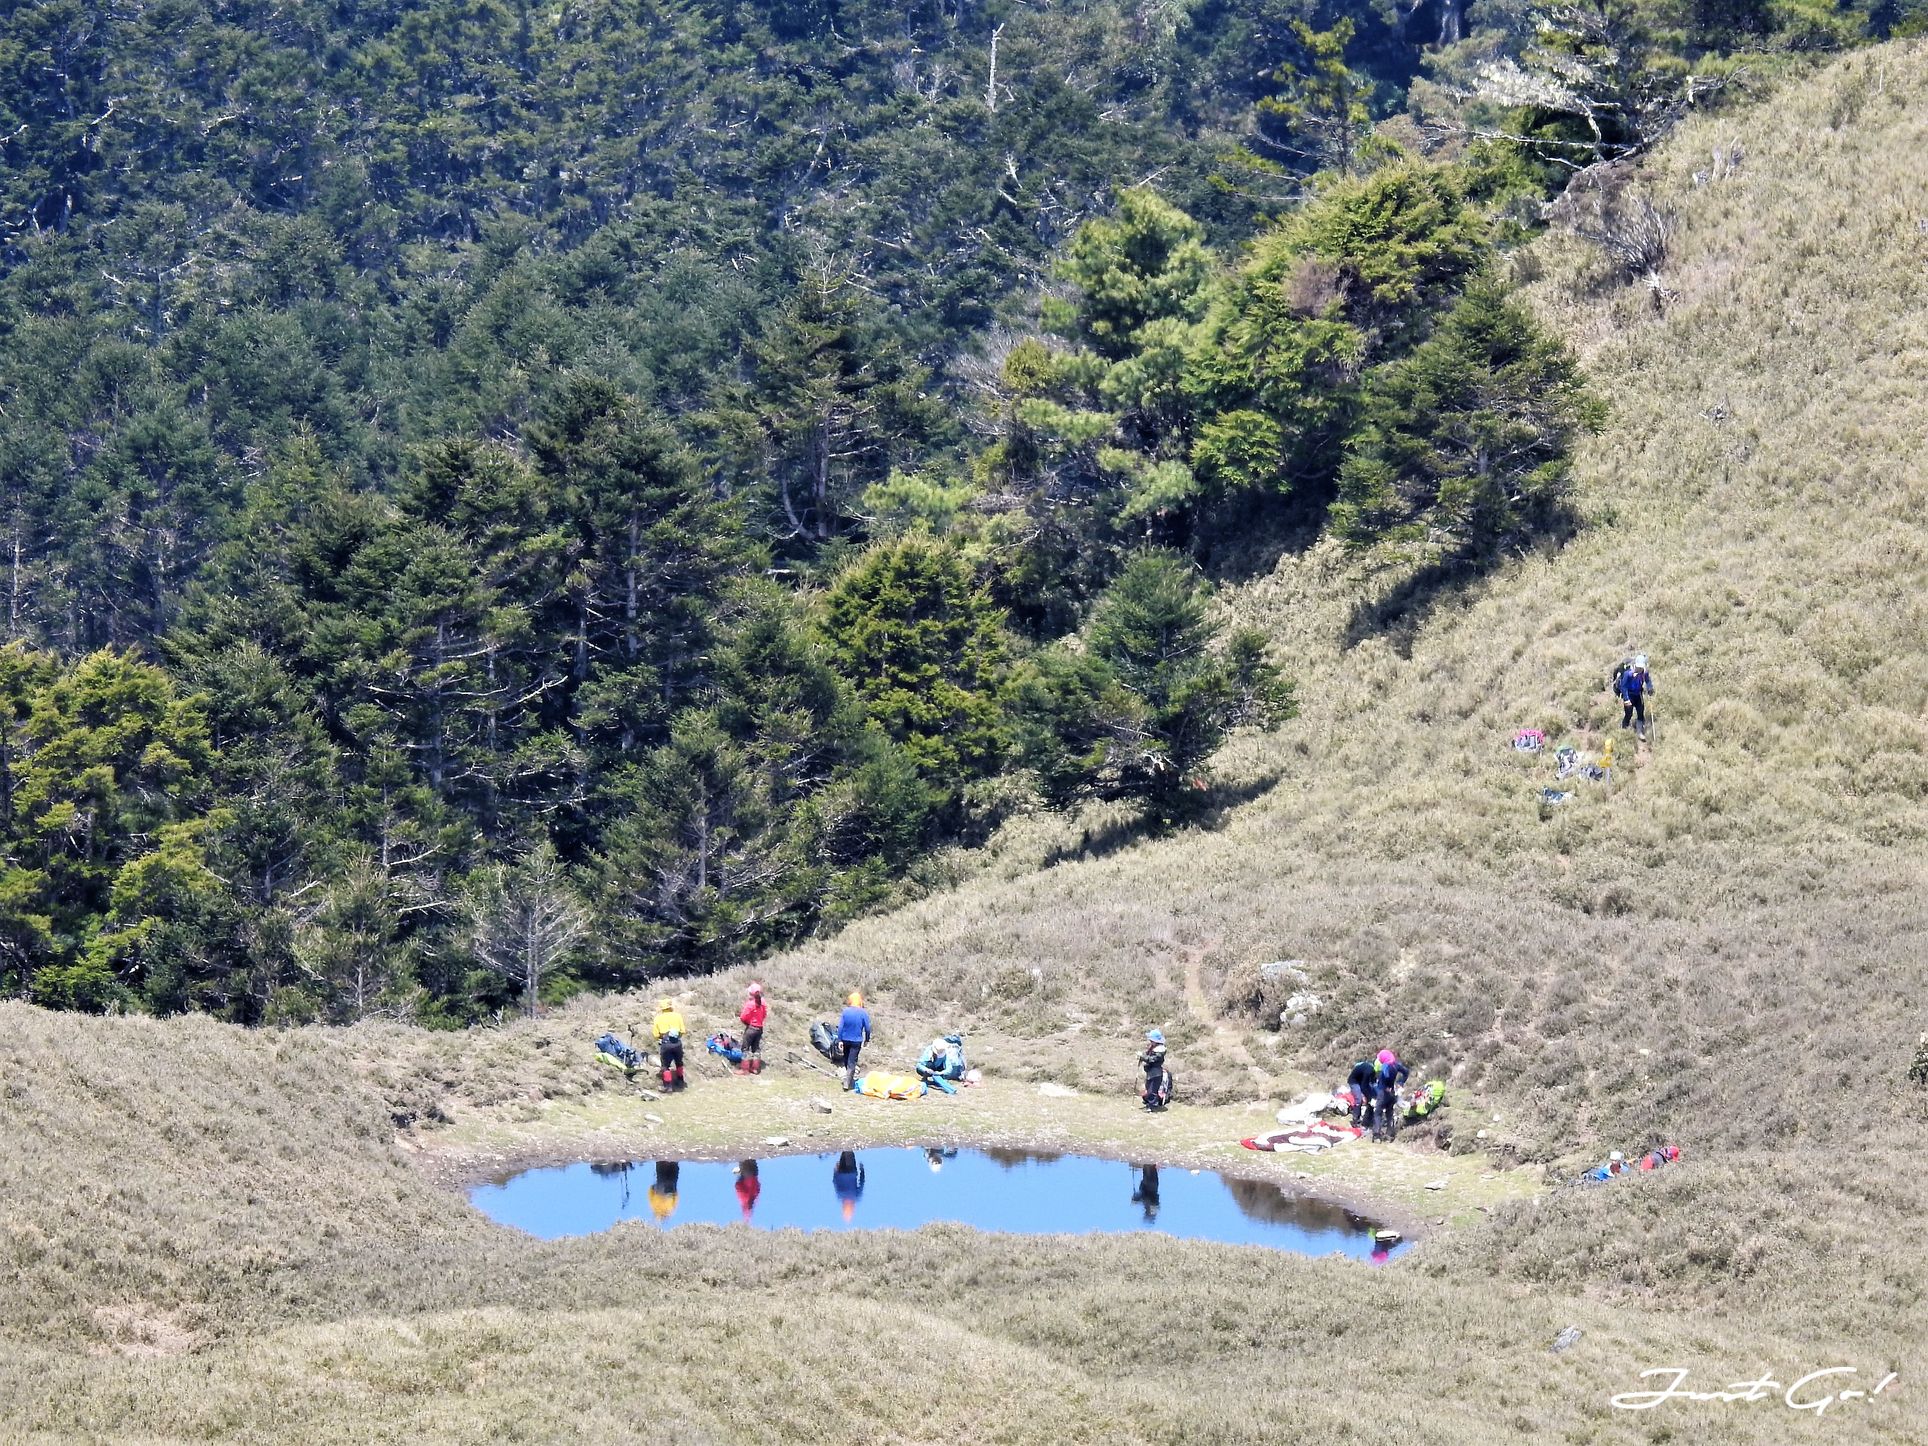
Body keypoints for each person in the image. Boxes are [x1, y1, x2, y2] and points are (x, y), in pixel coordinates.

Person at [1370, 1049, 1409, 1142]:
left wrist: (1385, 1085)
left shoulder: (1385, 1065)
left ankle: (1377, 1135)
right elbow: (1406, 1072)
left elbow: (1385, 1074)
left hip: (1383, 1092)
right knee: (1389, 1114)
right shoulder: (1396, 1064)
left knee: (1378, 1113)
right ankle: (1389, 1135)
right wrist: (1401, 1082)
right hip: (1392, 1092)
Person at [1615, 653, 1655, 740]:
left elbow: (1648, 681)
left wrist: (1650, 688)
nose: (1640, 669)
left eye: (1641, 667)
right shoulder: (1628, 673)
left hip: (1638, 695)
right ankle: (1624, 728)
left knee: (1640, 712)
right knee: (1628, 714)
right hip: (1629, 695)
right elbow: (1624, 687)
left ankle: (1639, 732)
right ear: (1635, 665)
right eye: (1638, 667)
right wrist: (1626, 699)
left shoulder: (1644, 672)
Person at [838, 991, 872, 1091]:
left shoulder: (846, 1011)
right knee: (852, 1061)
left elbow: (840, 1027)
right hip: (856, 1041)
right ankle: (848, 1081)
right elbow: (867, 1028)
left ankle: (848, 1079)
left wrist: (839, 1040)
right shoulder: (863, 1013)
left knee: (846, 1059)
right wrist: (867, 1039)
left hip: (845, 1039)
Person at [652, 997, 687, 1090]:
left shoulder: (658, 1018)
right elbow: (683, 1031)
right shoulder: (678, 1016)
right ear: (670, 1006)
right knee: (679, 1063)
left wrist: (661, 1038)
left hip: (666, 1043)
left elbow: (655, 1035)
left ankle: (668, 1087)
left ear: (661, 1008)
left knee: (665, 1066)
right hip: (677, 1042)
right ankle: (681, 1082)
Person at [1140, 1030, 1173, 1112]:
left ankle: (1152, 1106)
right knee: (1148, 1089)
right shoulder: (1153, 1048)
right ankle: (1149, 1103)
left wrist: (1143, 1057)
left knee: (1152, 1090)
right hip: (1150, 1072)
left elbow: (1152, 1060)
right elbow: (1147, 1055)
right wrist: (1142, 1056)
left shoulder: (1159, 1051)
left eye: (1152, 1040)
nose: (1150, 1042)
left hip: (1156, 1073)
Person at [738, 982, 767, 1075]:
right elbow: (764, 1015)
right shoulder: (763, 1002)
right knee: (756, 1048)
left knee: (745, 1048)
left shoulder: (750, 1004)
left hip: (751, 1028)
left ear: (751, 993)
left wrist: (748, 1023)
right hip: (759, 1028)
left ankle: (744, 1069)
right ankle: (755, 1068)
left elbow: (743, 1017)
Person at [1344, 1057, 1377, 1129]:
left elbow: (1373, 1083)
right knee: (1359, 1099)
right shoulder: (1369, 1071)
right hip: (1354, 1081)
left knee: (1371, 1099)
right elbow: (1363, 1086)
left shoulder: (1374, 1072)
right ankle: (1355, 1120)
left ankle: (1368, 1120)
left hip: (1362, 1081)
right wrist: (1363, 1096)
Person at [832, 1149, 865, 1222]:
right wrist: (835, 1171)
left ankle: (846, 1145)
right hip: (842, 1172)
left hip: (851, 1172)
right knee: (845, 1152)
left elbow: (862, 1182)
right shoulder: (840, 1196)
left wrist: (862, 1170)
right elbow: (835, 1182)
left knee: (849, 1151)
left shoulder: (856, 1197)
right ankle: (845, 1146)